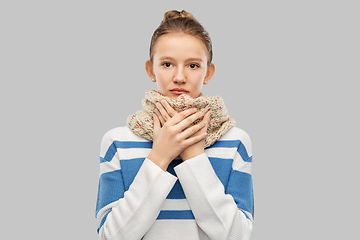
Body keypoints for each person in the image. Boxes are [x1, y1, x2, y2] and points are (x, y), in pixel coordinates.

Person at [95, 10, 254, 240]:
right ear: (151, 70)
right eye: (167, 64)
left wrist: (194, 157)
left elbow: (237, 236)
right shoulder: (117, 142)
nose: (179, 77)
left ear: (208, 72)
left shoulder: (235, 142)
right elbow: (111, 237)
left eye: (193, 66)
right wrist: (160, 156)